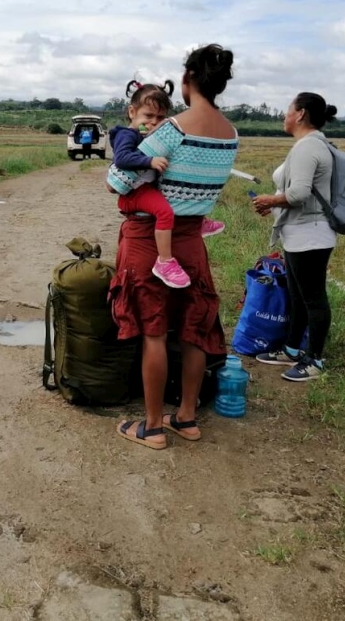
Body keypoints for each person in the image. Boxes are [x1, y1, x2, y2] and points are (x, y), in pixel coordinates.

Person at [111, 44, 239, 449]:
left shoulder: (173, 129)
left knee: (153, 330)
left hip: (150, 240)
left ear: (187, 80)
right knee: (194, 329)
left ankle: (151, 426)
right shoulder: (231, 134)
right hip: (192, 241)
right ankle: (186, 417)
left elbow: (119, 180)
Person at [251, 92, 338, 381]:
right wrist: (272, 203)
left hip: (310, 236)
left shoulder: (307, 147)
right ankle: (291, 349)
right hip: (301, 234)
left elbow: (299, 194)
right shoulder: (312, 145)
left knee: (313, 298)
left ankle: (315, 360)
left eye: (288, 109)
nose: (284, 115)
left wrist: (269, 200)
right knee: (297, 296)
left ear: (300, 114)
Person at [107, 80, 226, 289]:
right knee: (165, 213)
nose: (154, 122)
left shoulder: (149, 134)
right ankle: (164, 261)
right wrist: (149, 160)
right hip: (136, 192)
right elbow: (122, 159)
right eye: (148, 116)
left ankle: (199, 221)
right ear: (132, 112)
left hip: (148, 187)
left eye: (160, 117)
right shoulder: (127, 134)